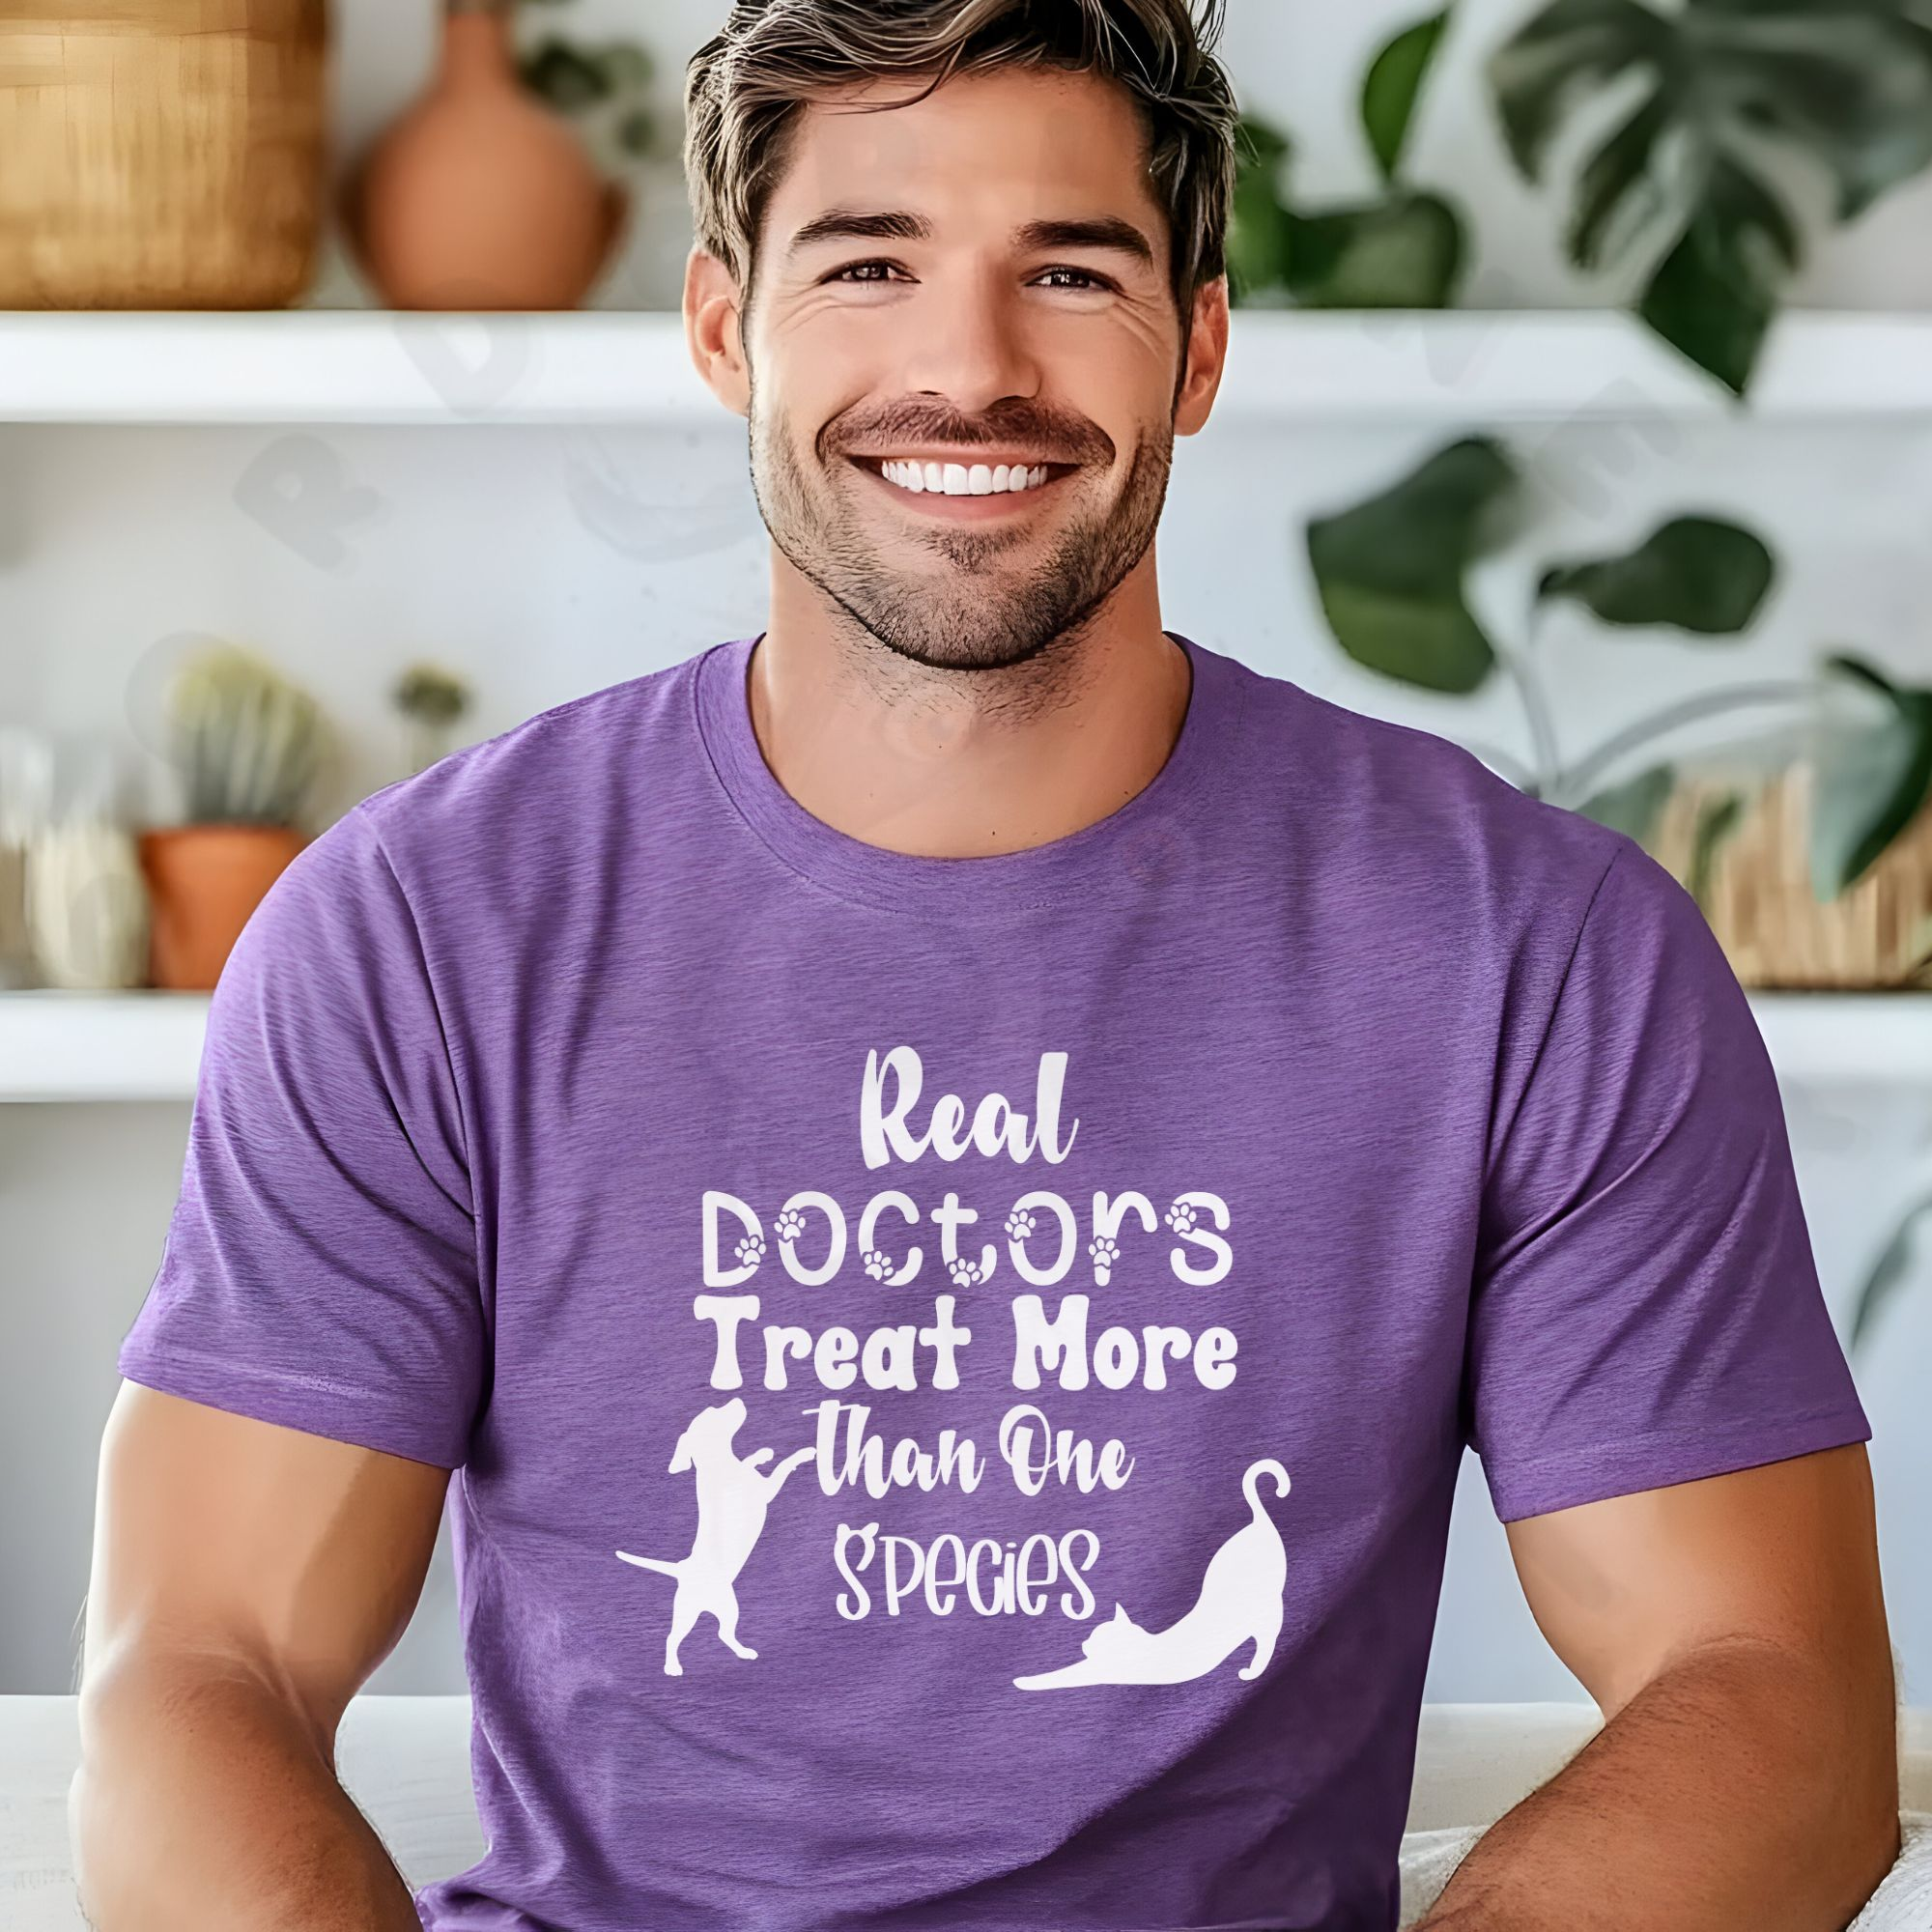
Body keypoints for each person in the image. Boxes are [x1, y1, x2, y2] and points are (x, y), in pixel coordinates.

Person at [71, 2, 1900, 1928]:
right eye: (870, 265)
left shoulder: (1536, 952)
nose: (970, 368)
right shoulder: (420, 933)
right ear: (726, 330)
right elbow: (198, 1664)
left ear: (1198, 347)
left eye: (1071, 271)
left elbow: (1766, 1691)